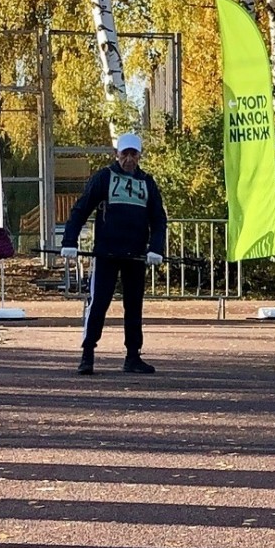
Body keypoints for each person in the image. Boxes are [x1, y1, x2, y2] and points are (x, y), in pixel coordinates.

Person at [60, 132, 168, 375]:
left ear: (140, 156)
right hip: (106, 254)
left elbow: (159, 219)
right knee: (98, 303)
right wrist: (69, 241)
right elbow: (81, 209)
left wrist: (155, 248)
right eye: (124, 154)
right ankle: (87, 354)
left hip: (136, 256)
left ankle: (133, 356)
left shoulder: (147, 182)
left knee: (134, 306)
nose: (129, 159)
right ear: (116, 155)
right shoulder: (104, 177)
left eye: (133, 154)